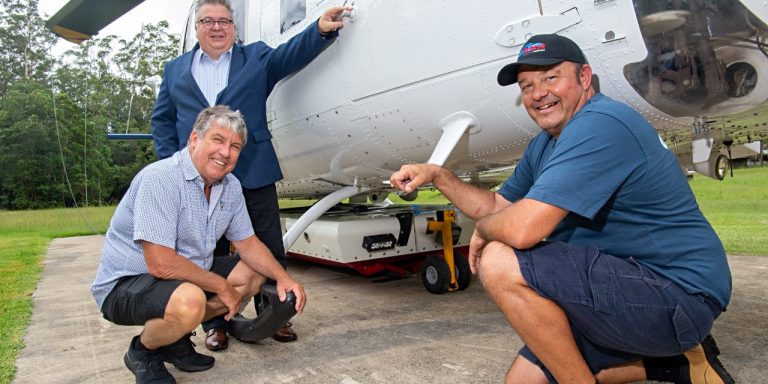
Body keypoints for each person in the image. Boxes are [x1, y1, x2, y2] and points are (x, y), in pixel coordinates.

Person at [390, 34, 734, 384]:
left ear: (584, 78)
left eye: (551, 78)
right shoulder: (547, 143)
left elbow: (522, 230)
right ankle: (680, 365)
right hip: (624, 287)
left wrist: (486, 230)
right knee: (523, 381)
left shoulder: (601, 124)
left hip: (675, 294)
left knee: (500, 261)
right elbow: (496, 205)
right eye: (527, 85)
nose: (538, 93)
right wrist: (438, 175)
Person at [151, 0, 351, 348]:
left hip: (254, 170)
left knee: (268, 245)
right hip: (200, 181)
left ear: (234, 27)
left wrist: (318, 29)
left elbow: (289, 55)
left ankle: (275, 316)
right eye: (208, 21)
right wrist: (177, 165)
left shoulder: (256, 57)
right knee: (206, 253)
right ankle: (215, 323)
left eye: (224, 21)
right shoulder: (175, 70)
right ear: (197, 27)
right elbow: (162, 121)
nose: (216, 27)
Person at [92, 106, 306, 383]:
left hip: (184, 276)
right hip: (125, 284)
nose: (226, 153)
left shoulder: (230, 186)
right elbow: (161, 262)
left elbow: (248, 242)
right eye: (218, 140)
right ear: (194, 139)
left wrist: (283, 278)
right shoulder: (161, 178)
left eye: (235, 146)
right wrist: (222, 287)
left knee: (252, 274)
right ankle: (143, 351)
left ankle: (175, 336)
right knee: (190, 300)